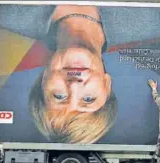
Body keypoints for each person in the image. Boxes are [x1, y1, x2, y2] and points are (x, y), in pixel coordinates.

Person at [28, 5, 117, 144]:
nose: (74, 85)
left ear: (43, 79)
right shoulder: (151, 21)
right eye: (88, 99)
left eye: (59, 96)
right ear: (107, 85)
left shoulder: (7, 13)